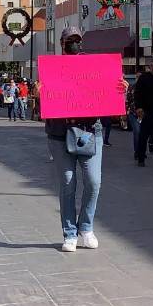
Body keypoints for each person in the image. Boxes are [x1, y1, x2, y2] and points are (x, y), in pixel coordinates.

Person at [45, 26, 127, 252]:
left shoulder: (94, 66)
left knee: (93, 181)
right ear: (62, 43)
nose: (74, 43)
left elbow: (108, 91)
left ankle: (86, 226)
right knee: (68, 184)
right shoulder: (52, 68)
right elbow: (46, 97)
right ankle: (70, 233)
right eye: (70, 40)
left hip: (90, 131)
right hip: (60, 134)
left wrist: (120, 89)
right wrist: (39, 92)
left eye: (77, 39)